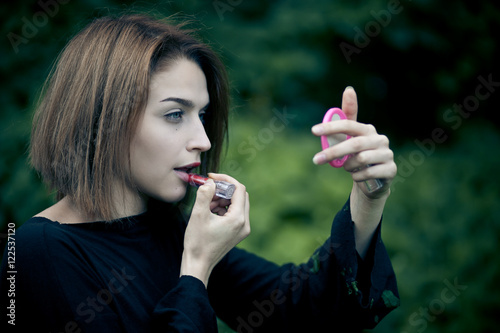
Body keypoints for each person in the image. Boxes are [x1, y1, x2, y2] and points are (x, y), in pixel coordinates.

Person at [0, 13, 399, 332]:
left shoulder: (168, 231)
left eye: (202, 115)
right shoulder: (33, 253)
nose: (204, 140)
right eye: (175, 114)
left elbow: (305, 311)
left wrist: (367, 199)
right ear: (104, 119)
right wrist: (195, 271)